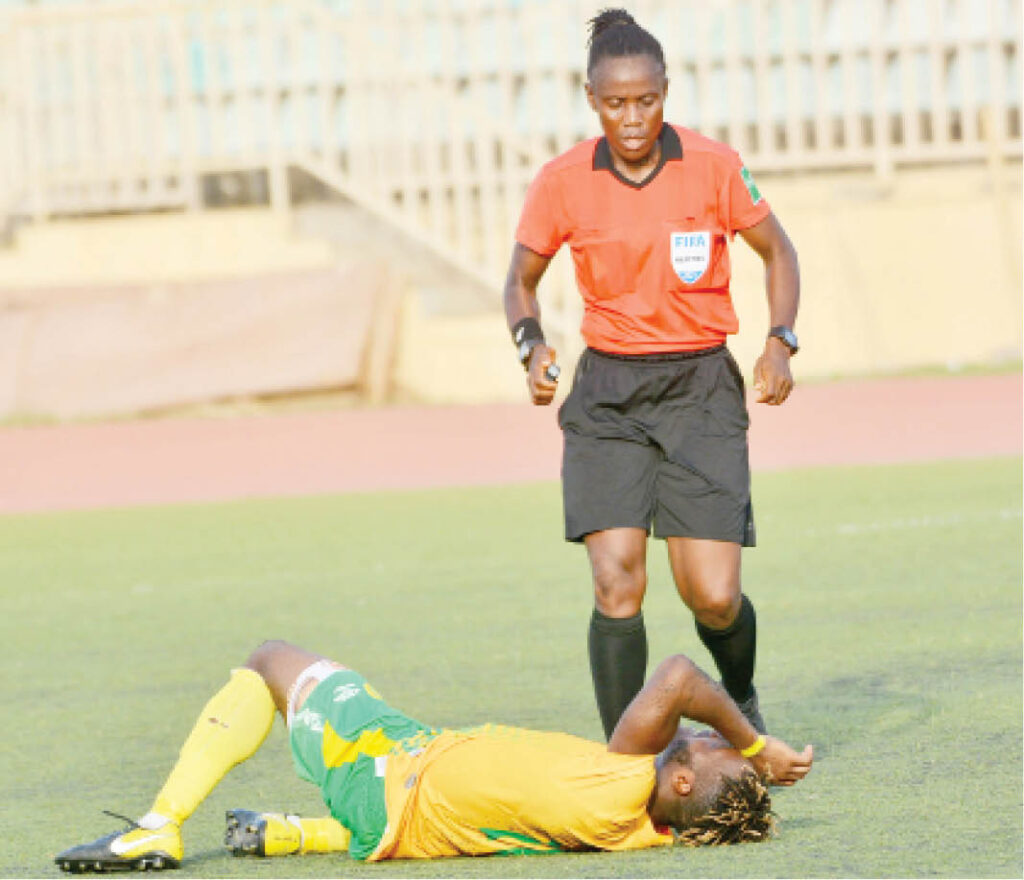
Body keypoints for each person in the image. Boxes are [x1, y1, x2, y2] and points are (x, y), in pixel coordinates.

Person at [503, 8, 801, 741]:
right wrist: (530, 346)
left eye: (646, 100)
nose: (632, 118)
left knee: (715, 597)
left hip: (701, 391)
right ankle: (624, 761)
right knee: (616, 580)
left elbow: (780, 253)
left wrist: (780, 342)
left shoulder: (715, 165)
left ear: (666, 90)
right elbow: (520, 281)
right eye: (615, 103)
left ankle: (740, 698)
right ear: (590, 98)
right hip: (608, 398)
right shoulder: (562, 180)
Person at [55, 638, 812, 871]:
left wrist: (756, 745)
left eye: (715, 755)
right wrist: (735, 771)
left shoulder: (614, 781)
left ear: (681, 777)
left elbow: (680, 675)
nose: (714, 740)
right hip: (408, 770)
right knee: (345, 691)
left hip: (387, 777)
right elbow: (679, 710)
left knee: (272, 664)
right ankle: (294, 832)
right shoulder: (634, 811)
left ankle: (159, 823)